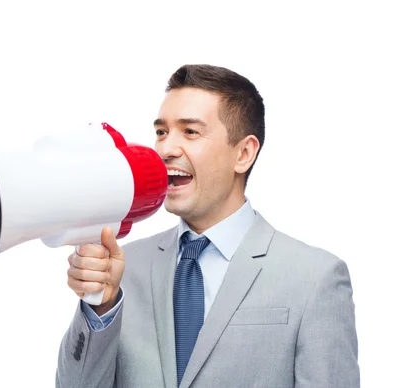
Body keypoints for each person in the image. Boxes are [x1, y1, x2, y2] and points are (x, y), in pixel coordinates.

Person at [55, 64, 359, 388]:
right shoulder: (123, 270)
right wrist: (100, 304)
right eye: (161, 132)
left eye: (190, 132)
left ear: (243, 153)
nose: (166, 149)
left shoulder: (315, 278)